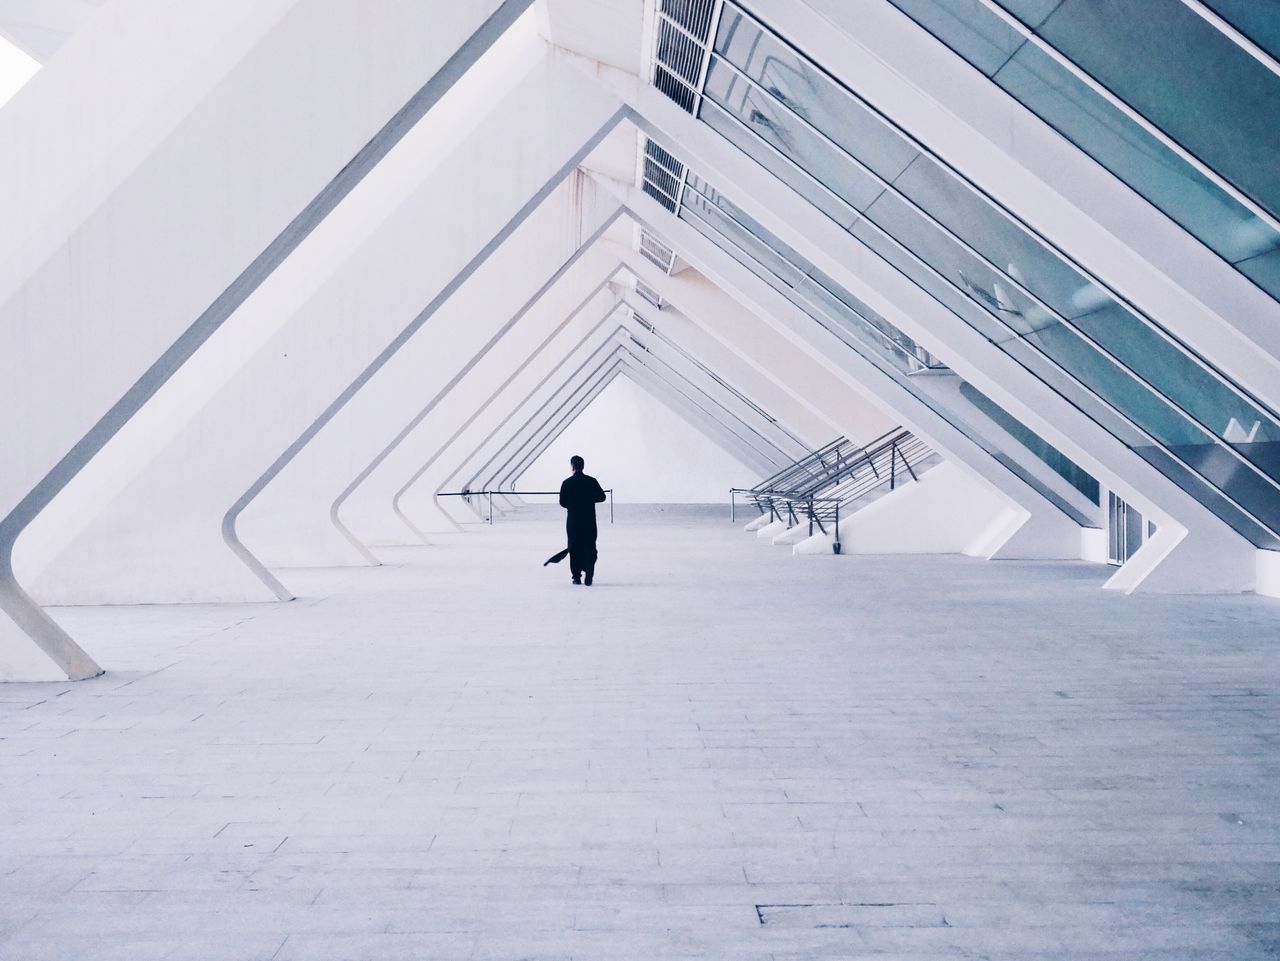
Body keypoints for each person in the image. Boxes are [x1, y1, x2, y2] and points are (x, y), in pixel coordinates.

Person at [557, 454, 606, 585]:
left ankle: (576, 576)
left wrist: (573, 505)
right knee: (590, 546)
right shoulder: (592, 481)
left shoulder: (566, 483)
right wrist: (589, 499)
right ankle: (589, 571)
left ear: (572, 467)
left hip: (573, 520)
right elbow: (602, 497)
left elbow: (562, 502)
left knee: (574, 547)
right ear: (583, 466)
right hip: (589, 519)